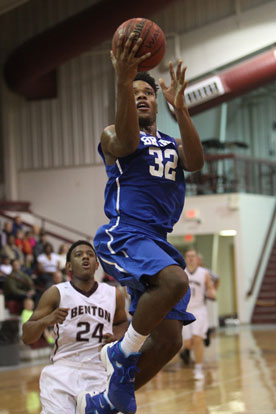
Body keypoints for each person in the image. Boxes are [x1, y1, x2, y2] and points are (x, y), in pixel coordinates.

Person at [78, 31, 204, 414]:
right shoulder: (113, 134)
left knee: (169, 341)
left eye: (146, 92)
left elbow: (196, 162)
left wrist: (182, 110)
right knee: (176, 280)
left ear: (156, 100)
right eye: (133, 92)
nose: (141, 95)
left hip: (158, 240)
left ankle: (108, 401)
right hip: (125, 233)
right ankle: (121, 351)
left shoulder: (169, 142)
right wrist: (122, 80)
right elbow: (129, 142)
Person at [22, 240, 128, 414]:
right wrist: (45, 321)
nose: (85, 257)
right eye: (79, 255)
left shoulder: (113, 294)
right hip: (64, 370)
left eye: (90, 254)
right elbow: (26, 336)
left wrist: (116, 335)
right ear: (69, 266)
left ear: (97, 264)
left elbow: (122, 322)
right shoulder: (56, 293)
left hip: (100, 372)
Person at [180, 248, 216, 381]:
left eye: (193, 256)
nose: (190, 258)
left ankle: (199, 368)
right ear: (185, 258)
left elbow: (210, 287)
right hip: (185, 310)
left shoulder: (204, 273)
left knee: (197, 339)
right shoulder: (181, 273)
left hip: (199, 310)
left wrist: (212, 292)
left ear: (197, 258)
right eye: (188, 256)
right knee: (188, 343)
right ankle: (186, 351)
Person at [197, 252, 220, 346]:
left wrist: (214, 290)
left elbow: (217, 278)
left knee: (207, 317)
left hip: (206, 297)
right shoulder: (188, 271)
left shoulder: (206, 271)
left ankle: (206, 332)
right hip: (195, 299)